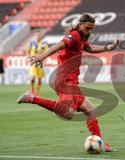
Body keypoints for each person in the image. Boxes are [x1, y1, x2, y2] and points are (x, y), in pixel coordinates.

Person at [17, 13, 118, 151]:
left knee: (91, 111)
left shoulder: (81, 39)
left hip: (73, 83)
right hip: (64, 81)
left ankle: (101, 143)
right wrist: (42, 56)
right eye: (88, 28)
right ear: (80, 25)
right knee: (68, 114)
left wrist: (109, 48)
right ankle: (31, 98)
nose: (89, 31)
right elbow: (60, 44)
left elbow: (92, 48)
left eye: (92, 29)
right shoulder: (75, 35)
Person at [27, 31, 49, 96]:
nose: (38, 36)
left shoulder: (44, 43)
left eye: (39, 35)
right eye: (37, 35)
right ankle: (32, 90)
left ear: (41, 36)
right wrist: (29, 58)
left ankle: (37, 92)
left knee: (39, 78)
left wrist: (44, 59)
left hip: (40, 63)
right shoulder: (32, 43)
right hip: (33, 62)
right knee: (33, 78)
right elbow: (28, 52)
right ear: (35, 36)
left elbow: (47, 52)